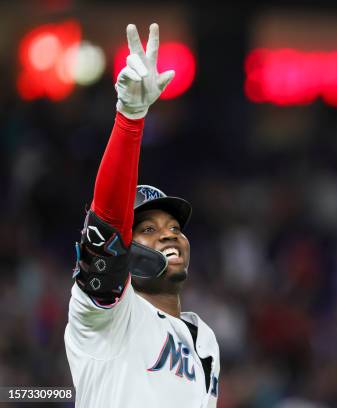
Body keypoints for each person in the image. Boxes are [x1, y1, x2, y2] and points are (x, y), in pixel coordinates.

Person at [64, 23, 220, 408]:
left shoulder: (206, 340)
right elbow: (107, 228)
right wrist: (130, 117)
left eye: (174, 227)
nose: (169, 235)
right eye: (148, 228)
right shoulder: (106, 316)